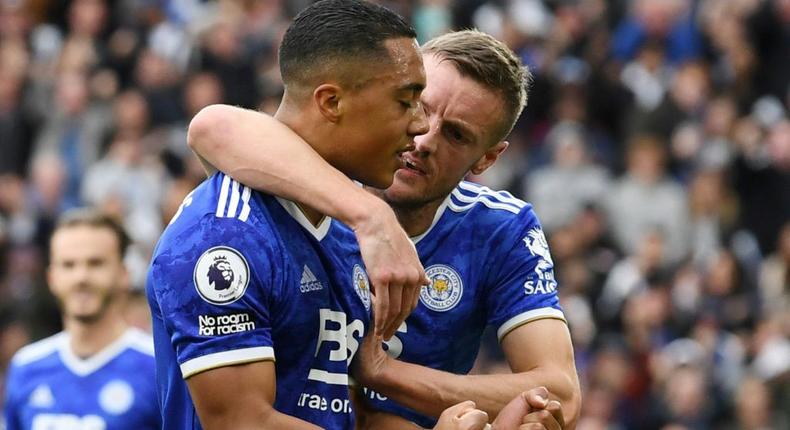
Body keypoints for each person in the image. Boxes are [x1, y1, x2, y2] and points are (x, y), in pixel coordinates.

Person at [188, 29, 581, 429]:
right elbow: (211, 126)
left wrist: (383, 371)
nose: (425, 139)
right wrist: (371, 219)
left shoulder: (499, 228)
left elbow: (560, 393)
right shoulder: (314, 179)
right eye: (420, 107)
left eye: (457, 134)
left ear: (487, 159)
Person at [146, 1, 431, 428]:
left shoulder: (347, 226)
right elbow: (244, 422)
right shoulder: (225, 234)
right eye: (405, 101)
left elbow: (346, 413)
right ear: (331, 101)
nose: (422, 124)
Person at [3, 209, 160, 430]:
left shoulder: (157, 367)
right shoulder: (26, 366)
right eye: (68, 265)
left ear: (124, 274)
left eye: (95, 263)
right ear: (52, 277)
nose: (81, 277)